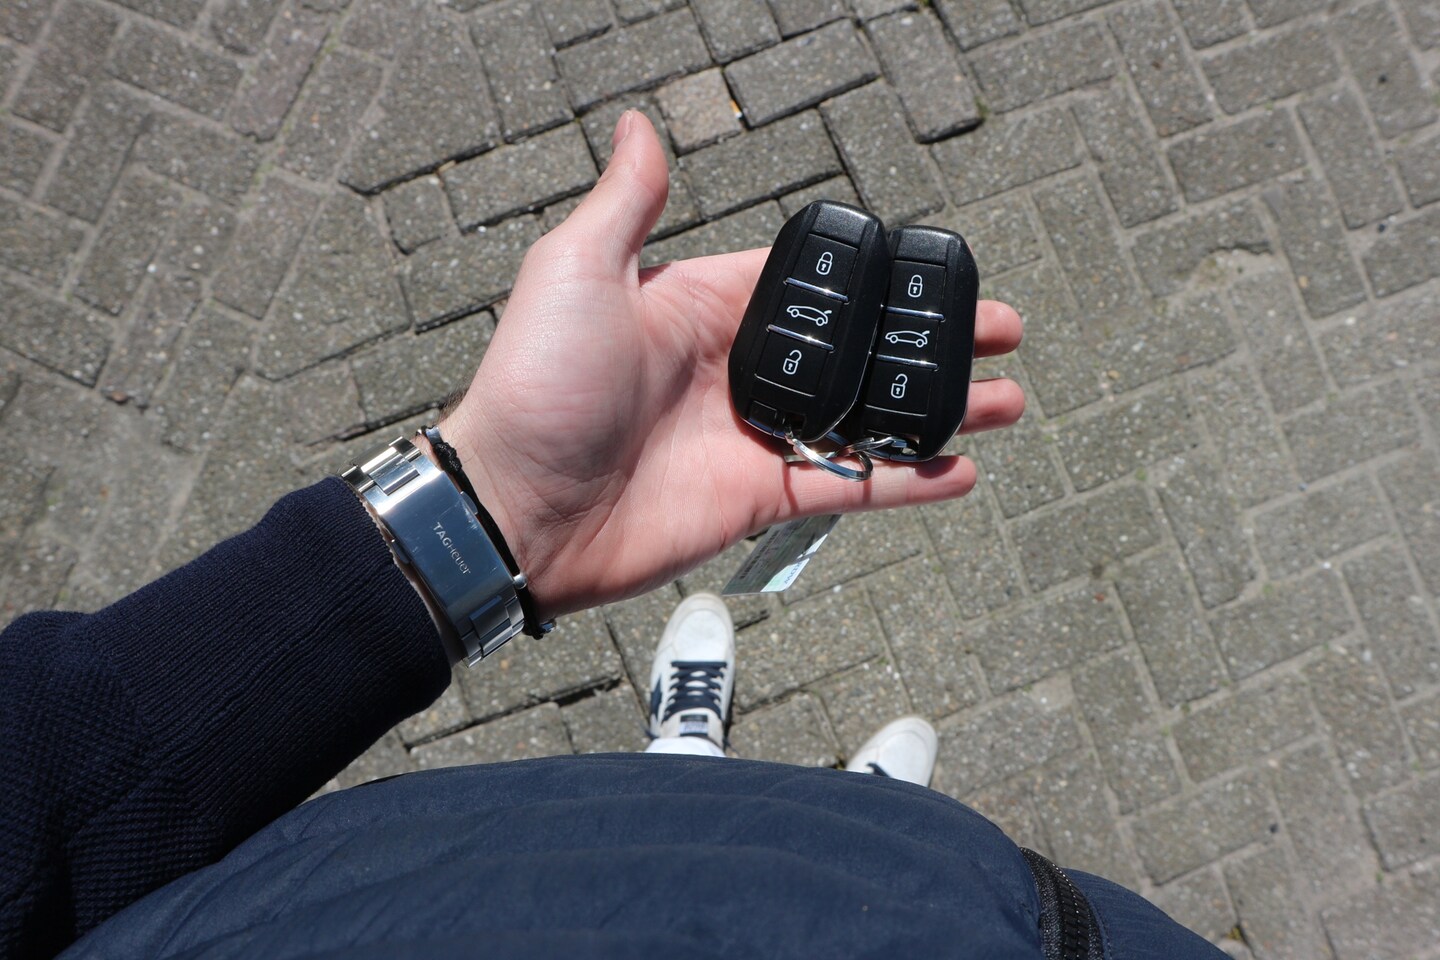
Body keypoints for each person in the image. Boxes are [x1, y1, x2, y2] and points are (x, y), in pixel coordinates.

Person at [0, 113, 1222, 958]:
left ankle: (696, 778)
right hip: (970, 922)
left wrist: (491, 510)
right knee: (855, 858)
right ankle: (843, 823)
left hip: (526, 868)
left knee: (692, 824)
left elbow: (38, 791)